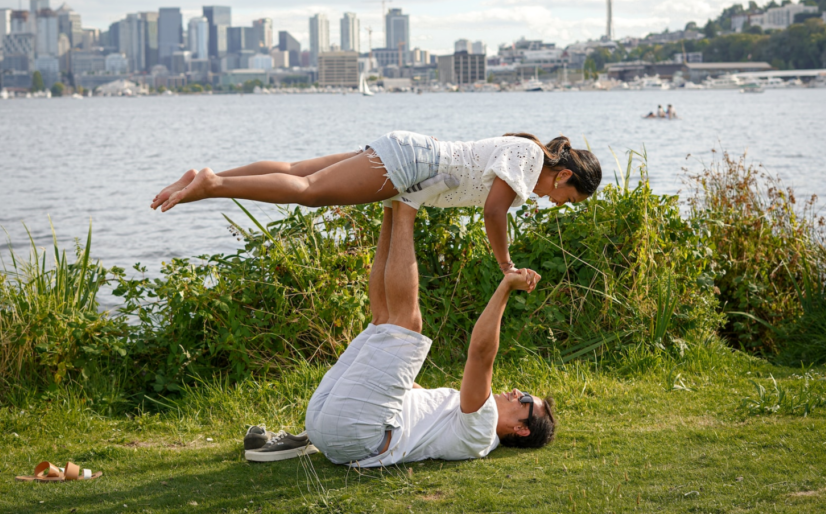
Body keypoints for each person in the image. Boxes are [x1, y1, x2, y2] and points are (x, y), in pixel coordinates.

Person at [303, 202, 555, 467]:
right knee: (383, 323)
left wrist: (506, 287)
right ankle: (392, 204)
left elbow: (481, 356)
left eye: (524, 399)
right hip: (329, 425)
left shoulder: (482, 431)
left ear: (521, 430)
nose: (516, 391)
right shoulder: (459, 414)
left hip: (357, 433)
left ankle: (408, 203)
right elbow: (407, 391)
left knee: (407, 326)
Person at [151, 131, 601, 275]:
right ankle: (212, 184)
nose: (558, 203)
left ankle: (211, 176)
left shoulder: (524, 158)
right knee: (310, 194)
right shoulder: (528, 158)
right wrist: (505, 264)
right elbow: (493, 212)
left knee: (297, 171)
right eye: (567, 197)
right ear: (564, 174)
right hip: (411, 162)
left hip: (410, 153)